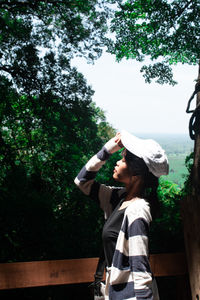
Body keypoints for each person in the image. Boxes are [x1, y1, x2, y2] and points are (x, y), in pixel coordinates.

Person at [74, 130, 169, 300]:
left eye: (123, 159)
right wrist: (110, 148)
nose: (117, 162)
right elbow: (81, 181)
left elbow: (141, 269)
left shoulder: (137, 209)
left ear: (136, 174)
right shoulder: (117, 199)